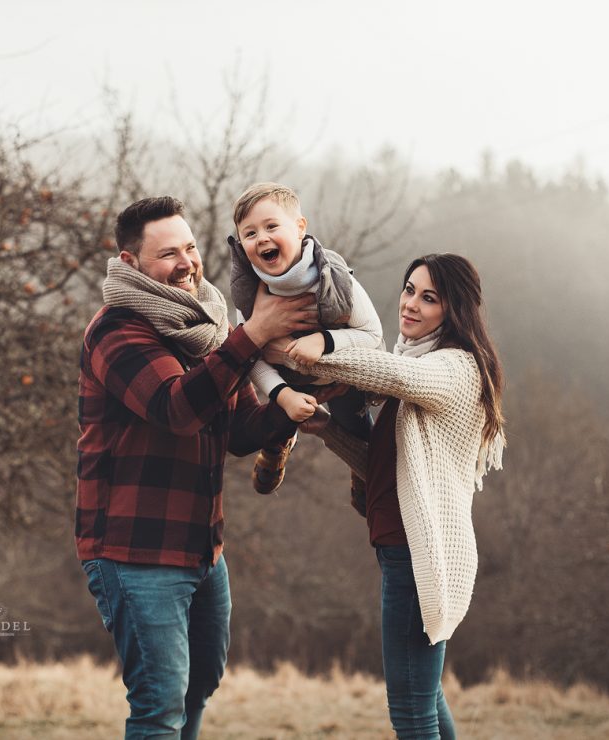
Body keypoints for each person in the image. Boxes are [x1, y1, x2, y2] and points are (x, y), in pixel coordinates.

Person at [75, 196, 317, 739]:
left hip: (203, 548)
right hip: (134, 551)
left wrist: (294, 404)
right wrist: (252, 333)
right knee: (160, 704)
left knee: (197, 687)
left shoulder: (204, 325)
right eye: (168, 254)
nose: (186, 262)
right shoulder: (116, 331)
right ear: (131, 262)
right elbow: (177, 409)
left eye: (189, 247)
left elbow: (239, 430)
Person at [286, 253, 505, 739]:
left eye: (429, 298)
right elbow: (389, 469)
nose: (410, 304)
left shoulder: (455, 367)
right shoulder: (422, 365)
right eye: (409, 290)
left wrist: (319, 349)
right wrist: (327, 430)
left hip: (416, 553)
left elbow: (394, 375)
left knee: (410, 708)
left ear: (454, 310)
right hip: (399, 547)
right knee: (424, 698)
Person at [226, 182, 383, 498]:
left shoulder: (334, 278)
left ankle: (364, 478)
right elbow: (251, 357)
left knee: (357, 427)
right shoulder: (251, 293)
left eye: (272, 226)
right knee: (280, 416)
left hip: (342, 375)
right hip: (290, 379)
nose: (262, 237)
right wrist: (282, 395)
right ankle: (277, 445)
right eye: (250, 233)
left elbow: (372, 333)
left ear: (299, 228)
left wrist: (323, 342)